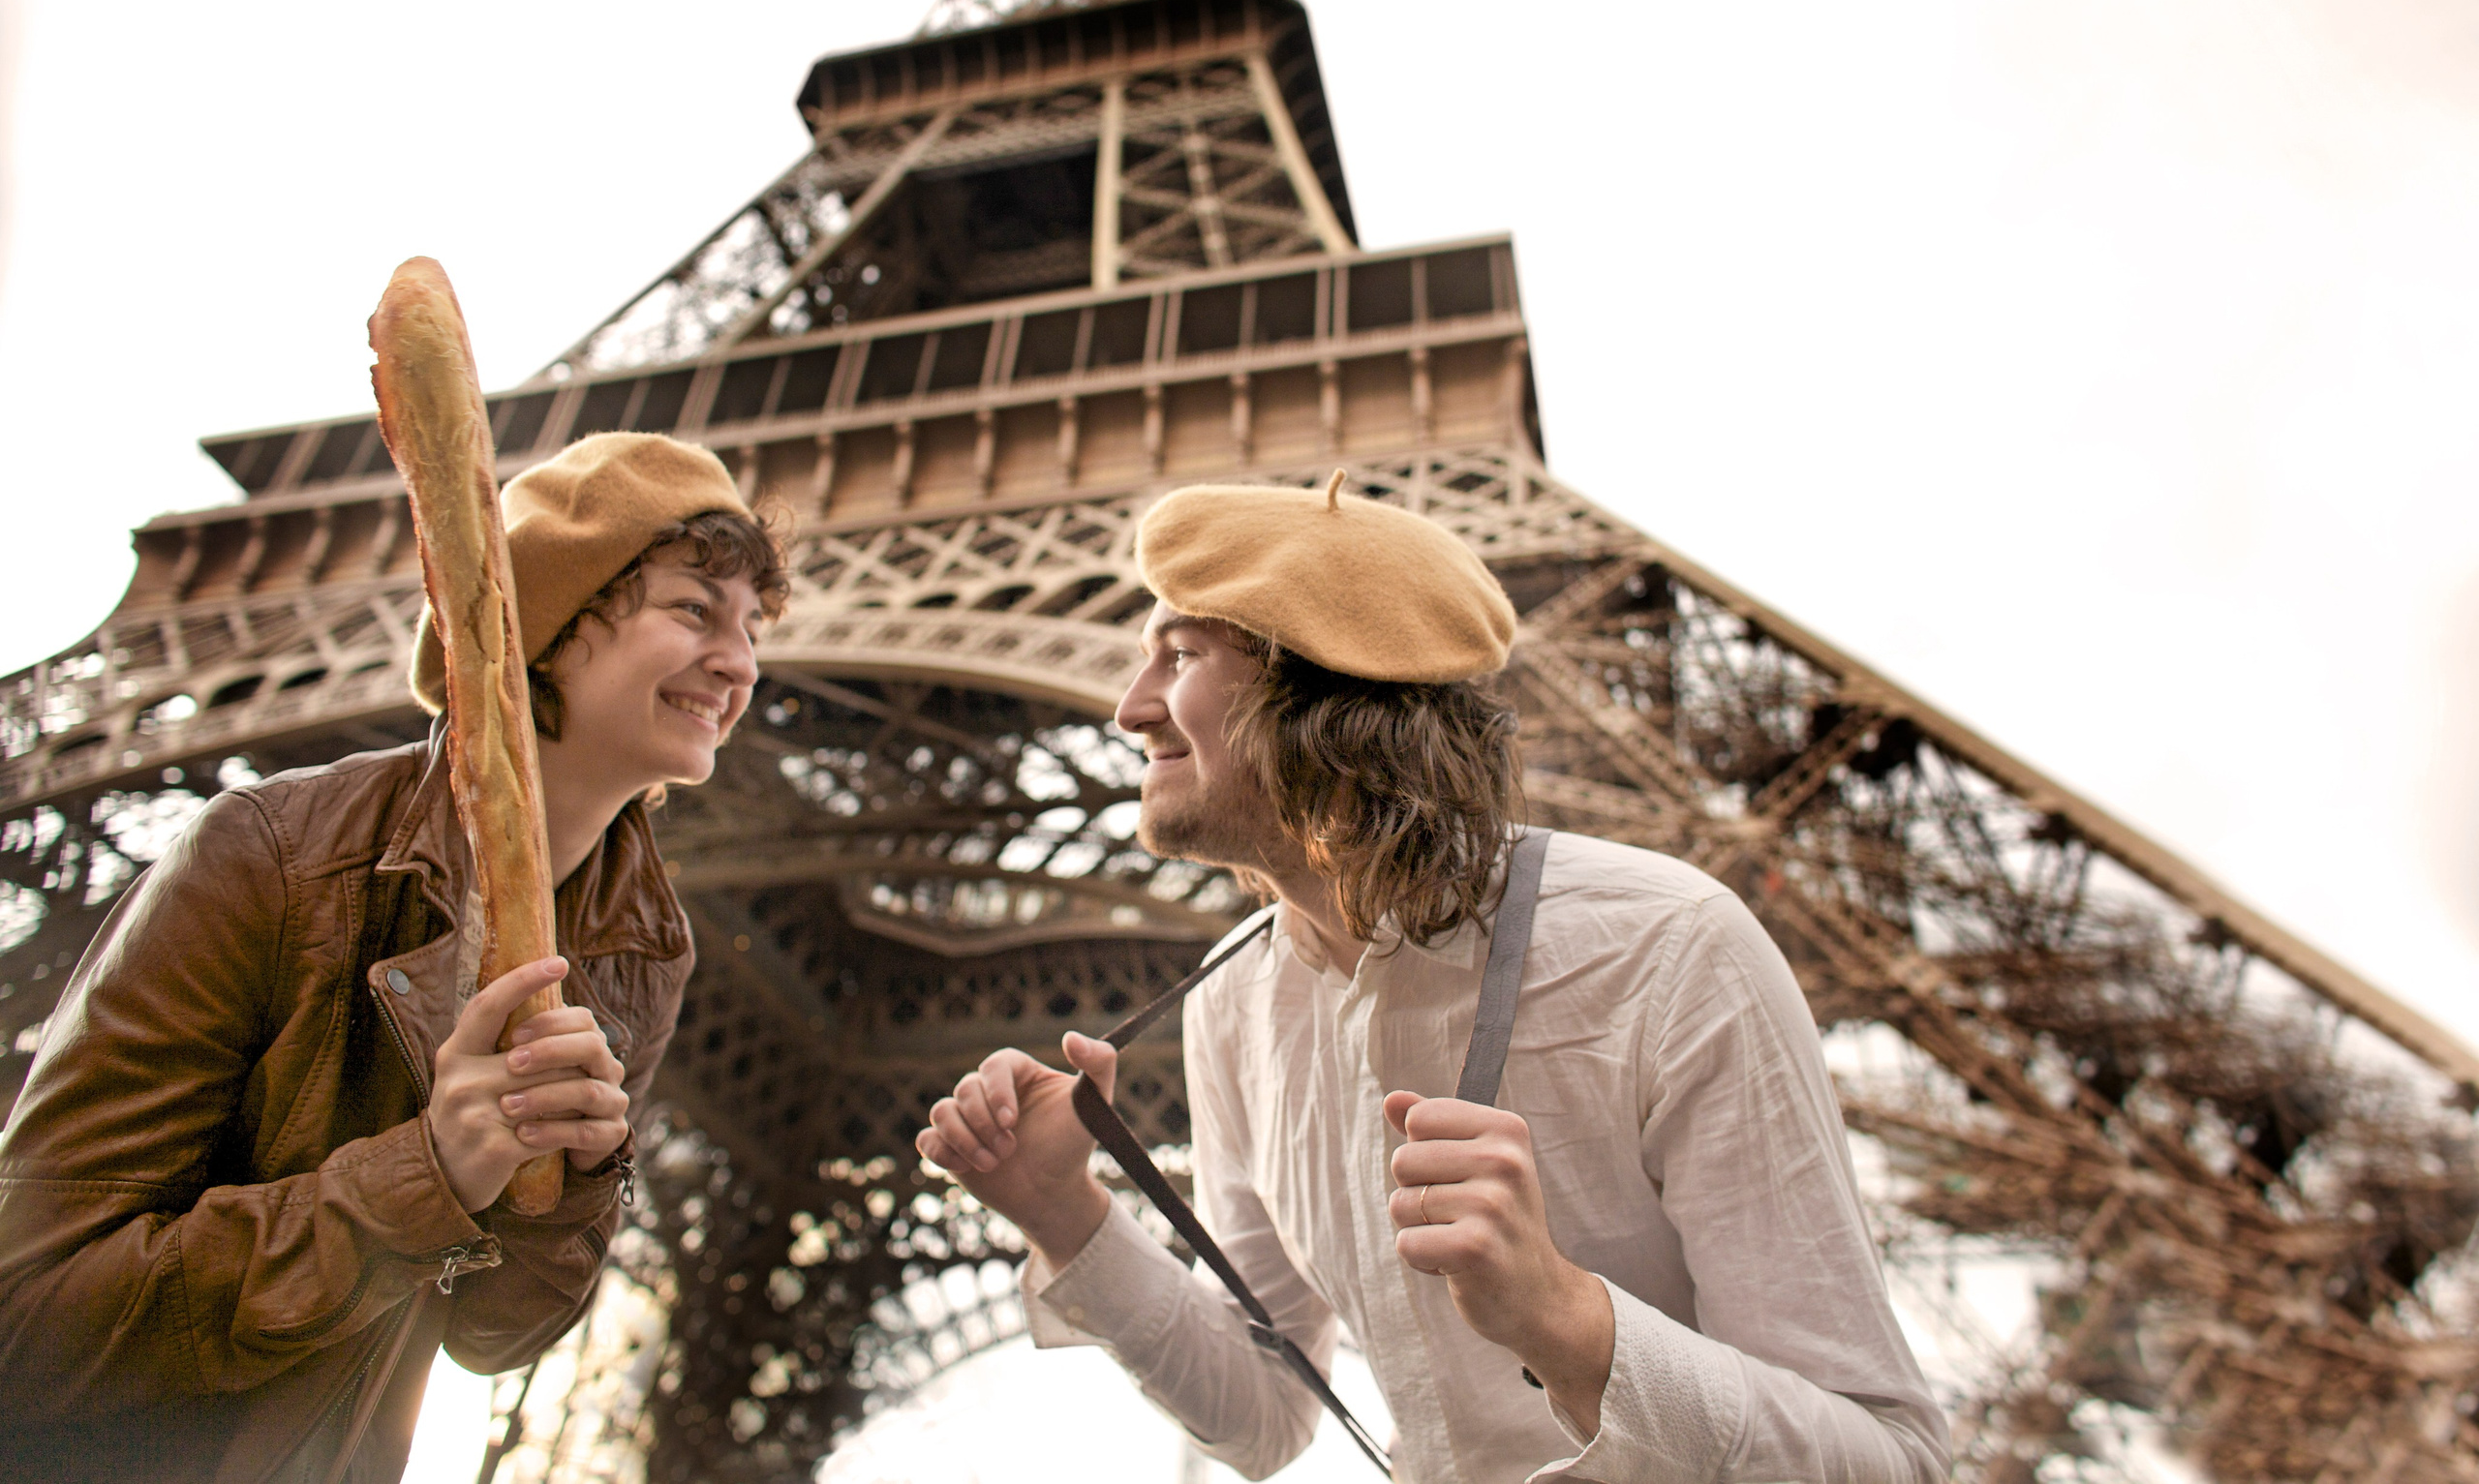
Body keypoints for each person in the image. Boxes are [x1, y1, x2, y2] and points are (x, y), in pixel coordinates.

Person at [919, 472, 1950, 1482]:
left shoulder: (1668, 947)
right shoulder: (1233, 1002)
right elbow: (1267, 1414)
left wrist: (1565, 1320)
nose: (1128, 709)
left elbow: (1891, 1461)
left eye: (1180, 655)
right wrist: (1063, 1211)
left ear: (1313, 693)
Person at [0, 433, 785, 1484]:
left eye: (752, 626)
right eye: (692, 609)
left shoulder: (646, 948)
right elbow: (25, 1326)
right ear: (543, 625)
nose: (739, 662)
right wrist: (431, 1174)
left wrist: (581, 1182)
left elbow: (493, 1339)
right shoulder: (273, 854)